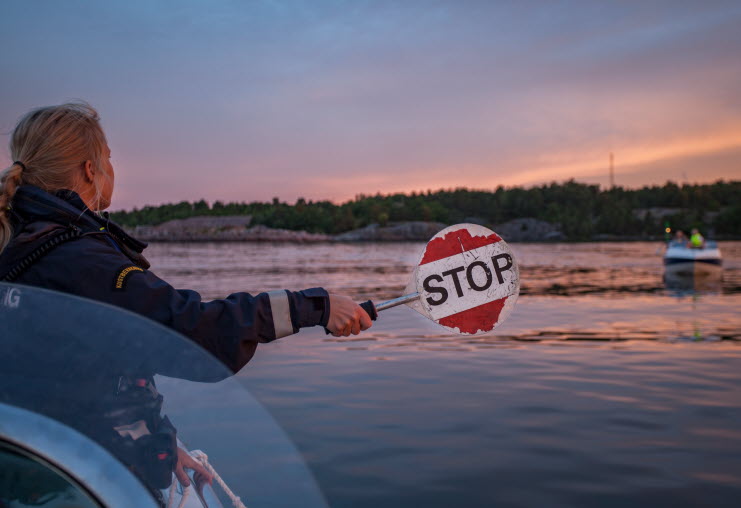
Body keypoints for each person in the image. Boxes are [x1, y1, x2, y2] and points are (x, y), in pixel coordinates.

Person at [0, 102, 373, 496]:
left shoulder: (23, 246)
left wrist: (155, 438)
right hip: (72, 483)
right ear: (90, 170)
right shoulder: (78, 258)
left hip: (34, 466)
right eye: (108, 159)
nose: (112, 169)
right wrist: (315, 306)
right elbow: (193, 333)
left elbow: (61, 369)